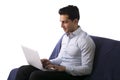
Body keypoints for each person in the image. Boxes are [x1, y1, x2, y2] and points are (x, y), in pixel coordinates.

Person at [15, 5, 95, 80]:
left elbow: (87, 69)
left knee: (36, 76)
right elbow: (61, 58)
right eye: (61, 22)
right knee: (23, 70)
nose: (61, 25)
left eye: (65, 22)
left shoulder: (85, 41)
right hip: (60, 70)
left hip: (72, 75)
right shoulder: (65, 37)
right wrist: (50, 62)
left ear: (75, 21)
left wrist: (65, 68)